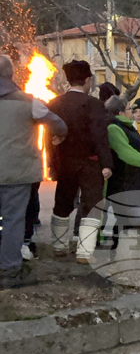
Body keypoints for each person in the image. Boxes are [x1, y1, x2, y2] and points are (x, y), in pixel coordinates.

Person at [0, 55, 66, 287]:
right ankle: (9, 270)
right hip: (16, 172)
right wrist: (59, 135)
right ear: (11, 74)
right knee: (13, 220)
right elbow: (58, 123)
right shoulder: (28, 102)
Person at [46, 60, 114, 262]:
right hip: (89, 163)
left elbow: (48, 138)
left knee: (62, 203)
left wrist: (51, 163)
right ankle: (84, 252)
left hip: (64, 161)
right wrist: (107, 164)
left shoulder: (54, 103)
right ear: (87, 80)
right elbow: (100, 137)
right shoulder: (94, 104)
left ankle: (59, 245)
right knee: (92, 205)